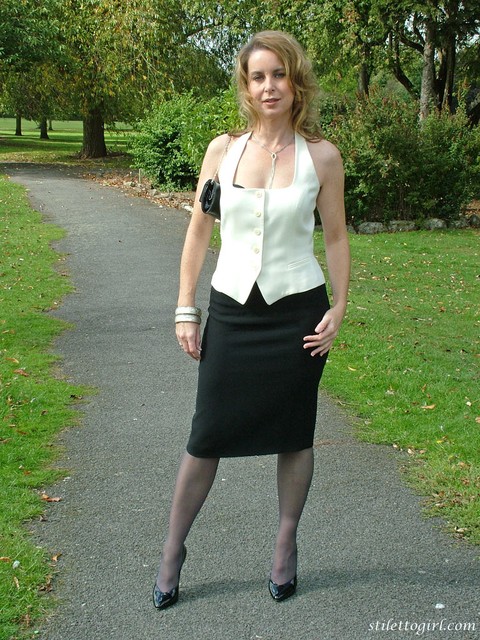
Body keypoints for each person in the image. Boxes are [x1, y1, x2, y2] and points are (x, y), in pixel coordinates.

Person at [153, 30, 350, 609]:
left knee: (295, 432)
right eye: (258, 76)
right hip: (234, 312)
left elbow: (335, 236)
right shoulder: (223, 150)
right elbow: (197, 230)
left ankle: (286, 545)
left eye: (279, 74)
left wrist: (340, 306)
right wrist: (186, 308)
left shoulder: (322, 156)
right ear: (246, 85)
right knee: (206, 434)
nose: (270, 86)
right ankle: (172, 549)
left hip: (298, 315)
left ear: (296, 82)